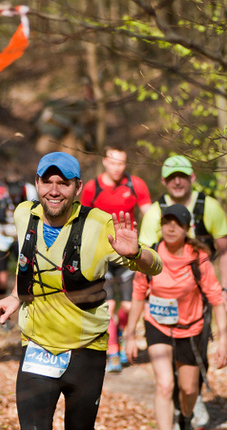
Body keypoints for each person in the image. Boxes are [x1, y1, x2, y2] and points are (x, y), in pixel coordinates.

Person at [0, 151, 161, 430]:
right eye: (47, 181)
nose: (54, 189)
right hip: (37, 347)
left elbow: (153, 267)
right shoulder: (22, 216)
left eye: (63, 182)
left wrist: (135, 252)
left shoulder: (100, 225)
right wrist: (16, 298)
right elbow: (31, 269)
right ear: (37, 183)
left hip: (85, 349)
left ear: (77, 188)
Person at [125, 203, 227, 430]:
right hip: (157, 326)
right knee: (164, 384)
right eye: (167, 222)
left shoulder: (198, 257)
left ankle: (185, 420)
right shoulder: (149, 255)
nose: (171, 228)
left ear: (187, 228)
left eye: (178, 223)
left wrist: (223, 340)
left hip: (190, 328)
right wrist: (129, 334)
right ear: (161, 225)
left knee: (188, 388)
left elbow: (216, 298)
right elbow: (138, 294)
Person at [138, 155, 227, 427]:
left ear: (192, 178)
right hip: (161, 299)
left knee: (197, 352)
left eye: (182, 175)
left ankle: (193, 397)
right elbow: (143, 257)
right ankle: (175, 401)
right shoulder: (155, 213)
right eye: (171, 177)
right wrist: (143, 296)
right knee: (167, 365)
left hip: (199, 295)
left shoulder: (209, 208)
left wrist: (224, 291)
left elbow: (225, 252)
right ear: (164, 181)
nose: (177, 181)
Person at [80, 146, 152, 373]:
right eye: (113, 162)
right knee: (108, 305)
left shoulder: (135, 185)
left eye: (121, 163)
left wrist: (150, 245)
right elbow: (82, 218)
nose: (117, 167)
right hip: (101, 253)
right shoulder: (93, 187)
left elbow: (150, 215)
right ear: (104, 162)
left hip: (128, 254)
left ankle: (118, 333)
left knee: (130, 307)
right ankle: (112, 351)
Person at [0, 172, 37, 295]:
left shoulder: (29, 191)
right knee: (2, 280)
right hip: (0, 236)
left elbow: (36, 220)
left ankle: (22, 303)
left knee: (25, 275)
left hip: (21, 236)